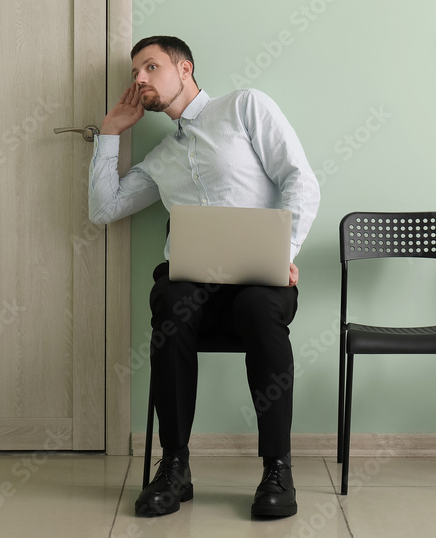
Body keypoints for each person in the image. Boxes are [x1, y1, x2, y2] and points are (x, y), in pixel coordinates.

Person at [88, 36, 320, 518]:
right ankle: (174, 466)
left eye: (150, 67)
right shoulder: (160, 159)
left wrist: (285, 252)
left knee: (259, 306)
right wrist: (109, 133)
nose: (140, 80)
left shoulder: (244, 107)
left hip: (260, 281)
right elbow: (103, 209)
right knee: (172, 302)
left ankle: (277, 466)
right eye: (135, 73)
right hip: (191, 285)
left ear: (185, 68)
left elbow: (300, 178)